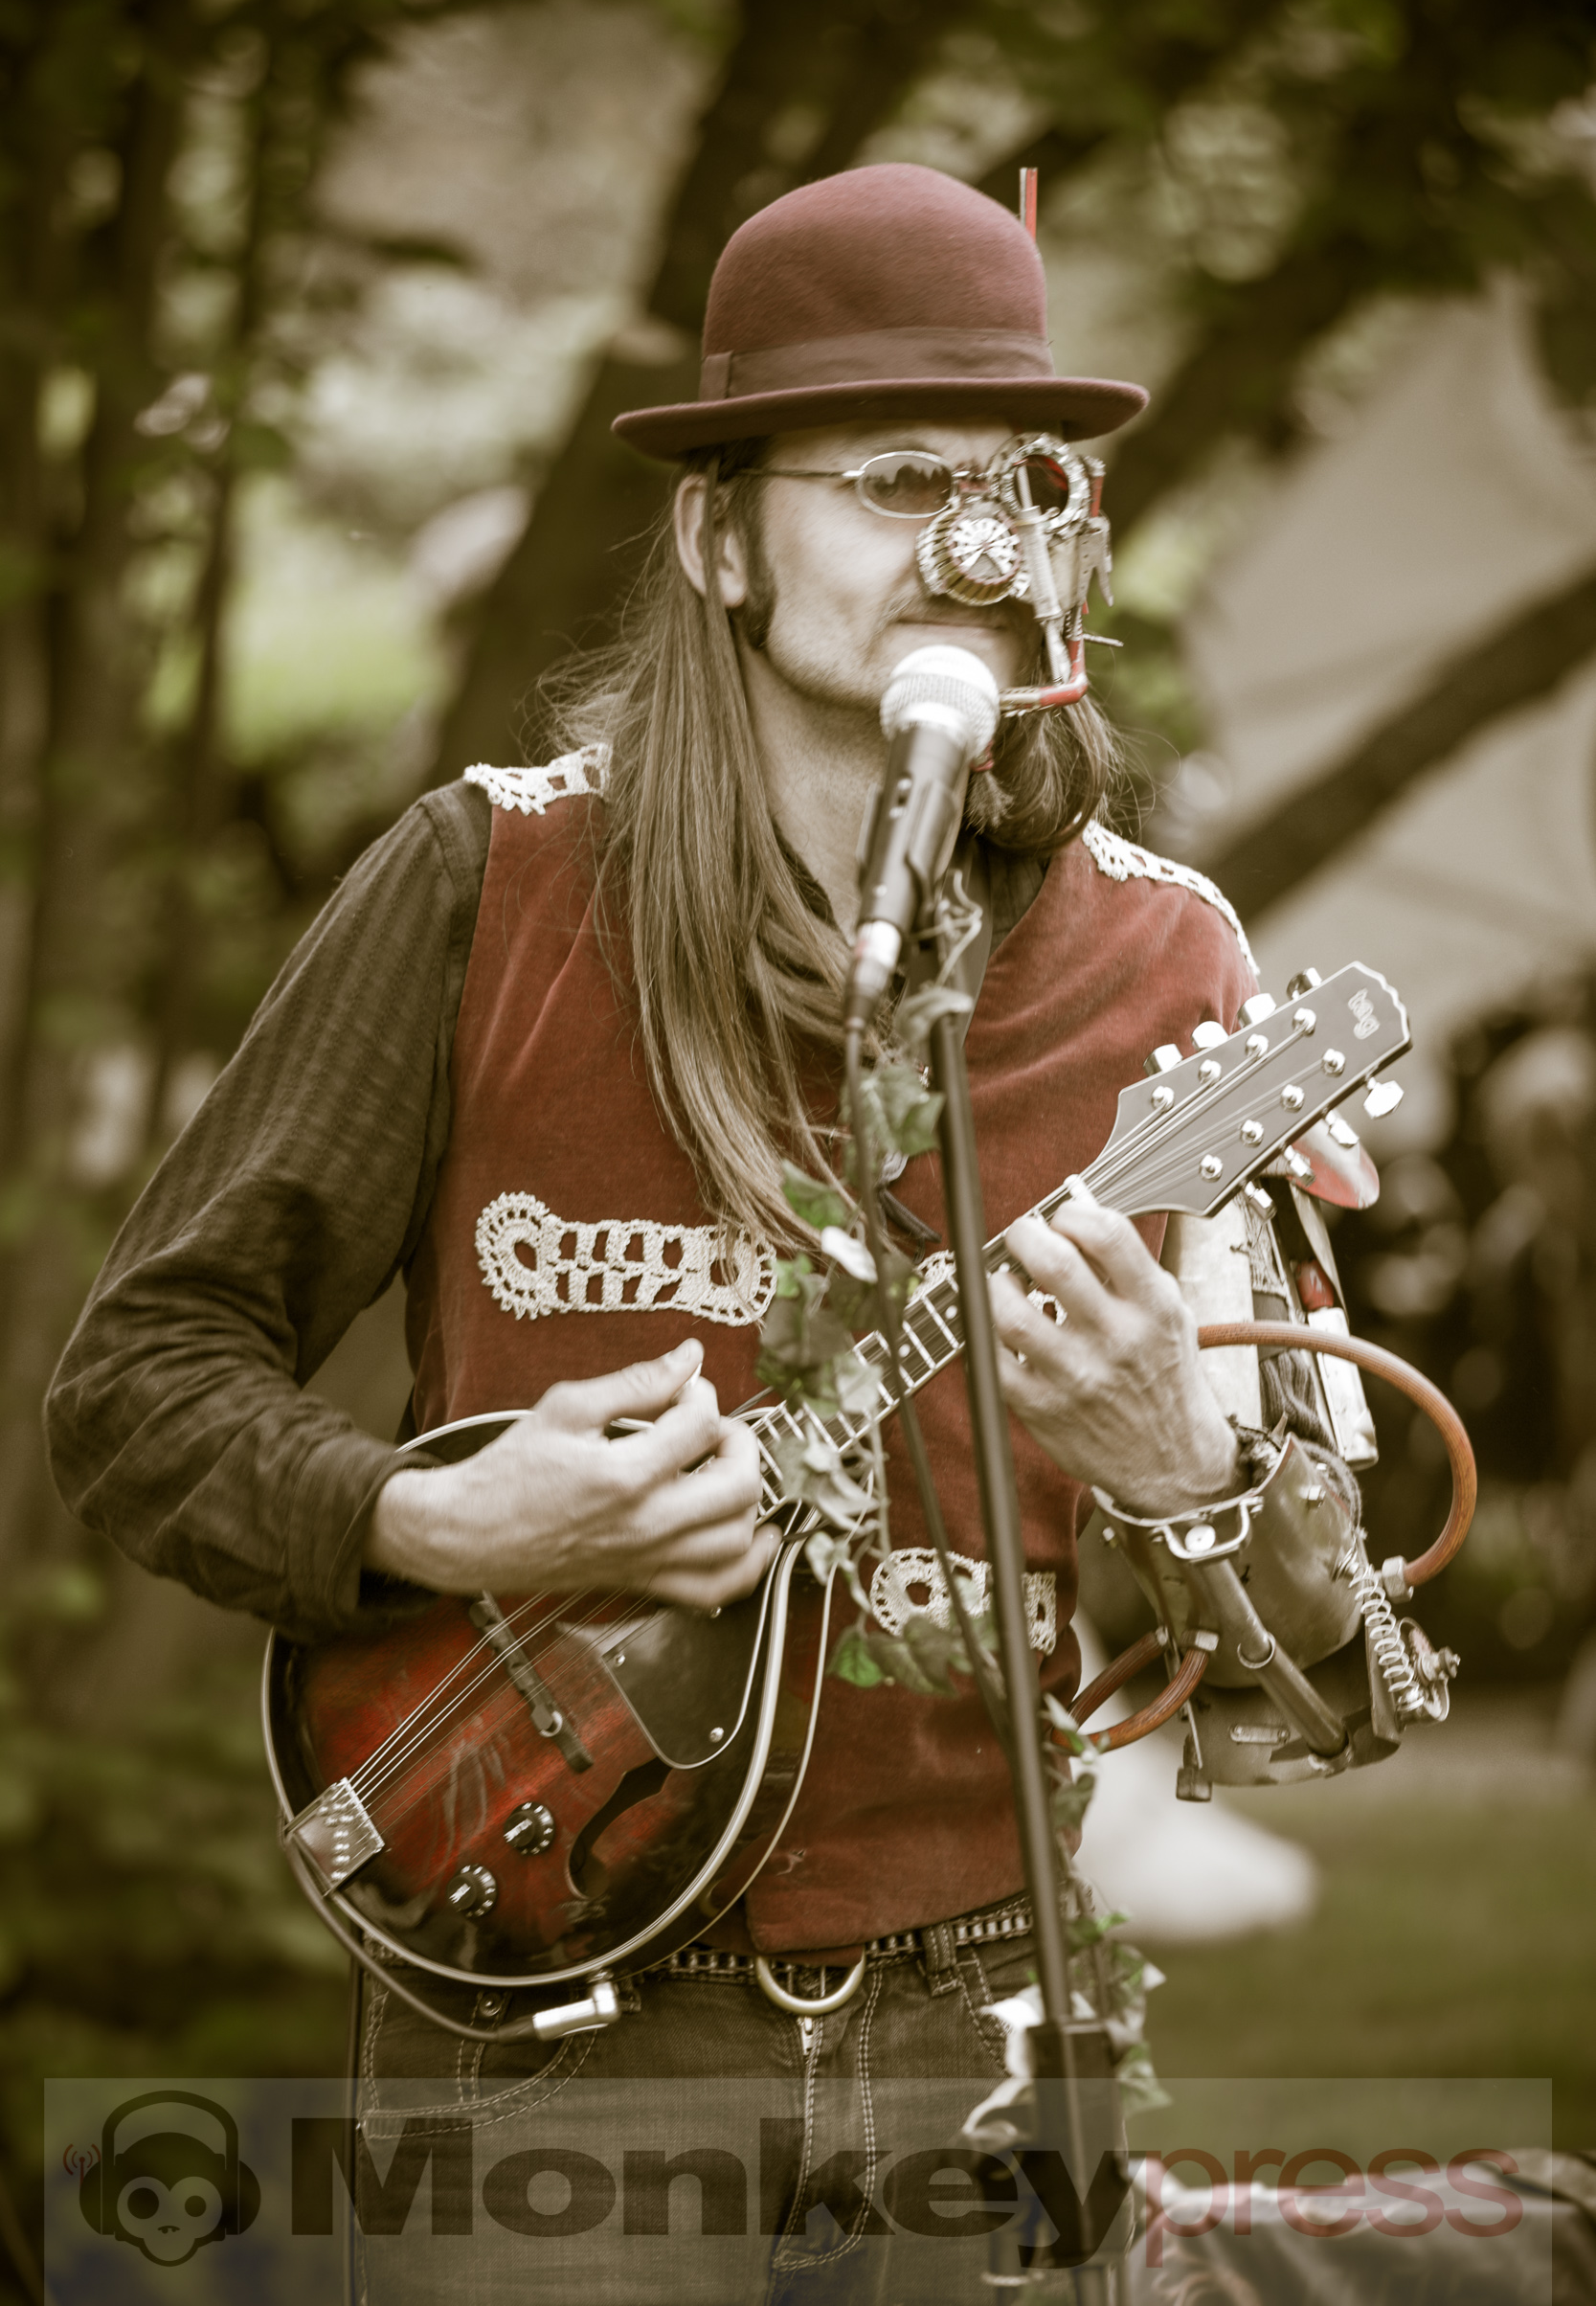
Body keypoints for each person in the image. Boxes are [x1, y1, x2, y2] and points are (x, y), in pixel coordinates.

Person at [46, 163, 1337, 2302]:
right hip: (548, 2025)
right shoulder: (490, 883)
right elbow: (138, 1388)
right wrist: (434, 1521)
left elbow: (1328, 1672)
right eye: (894, 473)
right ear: (717, 533)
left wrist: (1185, 1468)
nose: (967, 535)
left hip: (991, 2037)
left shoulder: (1163, 965)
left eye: (1015, 477)